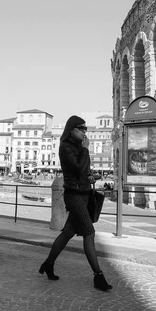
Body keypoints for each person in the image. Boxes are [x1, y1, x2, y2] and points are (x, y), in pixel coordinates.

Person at [39, 115, 112, 291]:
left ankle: (48, 264)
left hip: (85, 194)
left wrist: (90, 177)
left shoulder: (79, 147)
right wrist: (86, 150)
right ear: (72, 130)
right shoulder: (65, 147)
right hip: (74, 196)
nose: (85, 132)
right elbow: (77, 168)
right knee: (89, 232)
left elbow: (82, 171)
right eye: (82, 129)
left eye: (86, 129)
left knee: (68, 233)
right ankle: (98, 276)